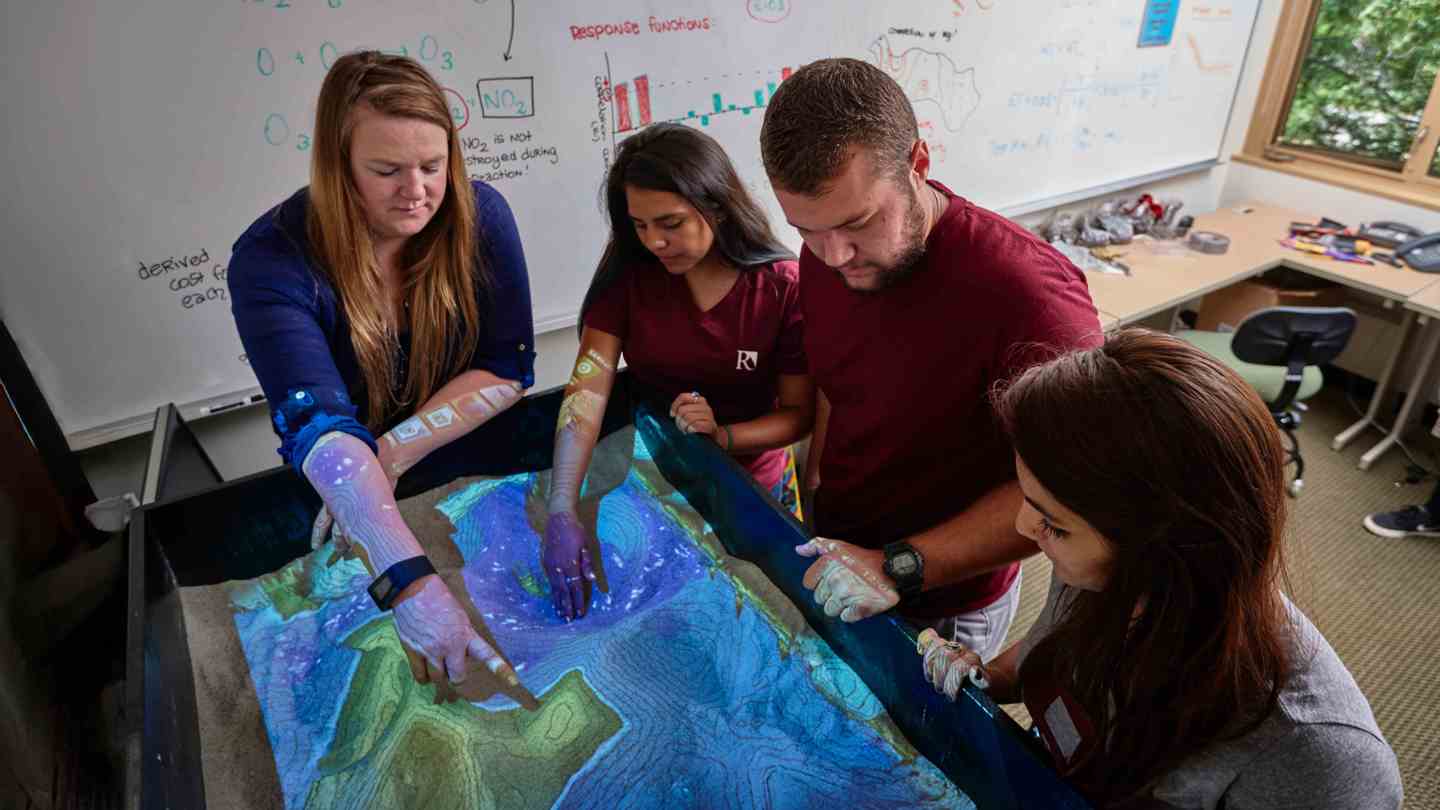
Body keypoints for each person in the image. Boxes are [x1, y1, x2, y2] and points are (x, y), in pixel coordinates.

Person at [918, 329, 1403, 809]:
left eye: (1055, 525)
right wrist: (988, 677)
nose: (1026, 529)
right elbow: (1056, 651)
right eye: (1030, 501)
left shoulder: (1318, 757)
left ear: (1167, 550)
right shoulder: (1098, 574)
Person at [758, 58, 1101, 658]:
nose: (834, 255)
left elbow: (1074, 495)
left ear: (918, 163)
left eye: (858, 222)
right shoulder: (827, 252)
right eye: (806, 230)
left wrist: (898, 567)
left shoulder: (1031, 297)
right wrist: (817, 484)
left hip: (947, 601)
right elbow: (841, 379)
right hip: (841, 550)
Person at [229, 52, 535, 695]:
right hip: (346, 486)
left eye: (433, 165)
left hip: (453, 458)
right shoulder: (272, 260)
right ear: (339, 169)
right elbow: (320, 428)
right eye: (387, 170)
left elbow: (507, 369)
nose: (418, 190)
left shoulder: (481, 216)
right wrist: (409, 586)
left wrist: (393, 451)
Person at [542, 123, 815, 620]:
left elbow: (800, 417)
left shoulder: (780, 286)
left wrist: (723, 436)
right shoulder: (629, 277)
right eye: (640, 226)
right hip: (659, 476)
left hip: (752, 486)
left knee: (754, 612)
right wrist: (562, 503)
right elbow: (586, 394)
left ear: (716, 205)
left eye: (670, 223)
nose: (655, 242)